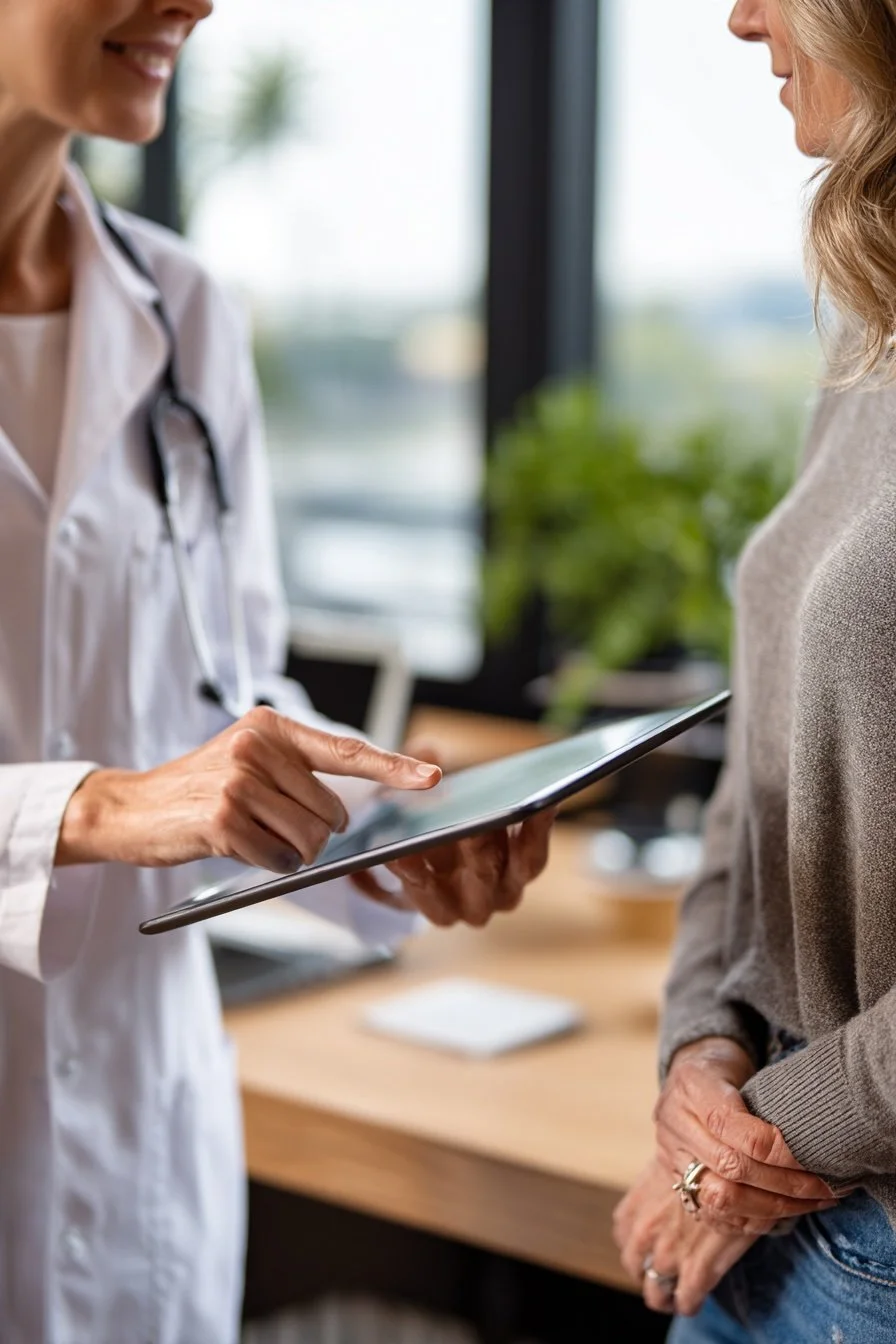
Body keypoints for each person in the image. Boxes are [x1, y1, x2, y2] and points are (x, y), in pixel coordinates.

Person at [0, 3, 556, 1341]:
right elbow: (141, 789)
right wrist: (89, 810)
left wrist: (386, 828)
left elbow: (218, 696)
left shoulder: (181, 308)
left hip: (145, 1163)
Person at [613, 1, 896, 1340]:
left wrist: (761, 1135)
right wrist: (704, 1050)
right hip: (773, 1197)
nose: (739, 15)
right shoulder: (872, 319)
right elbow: (762, 782)